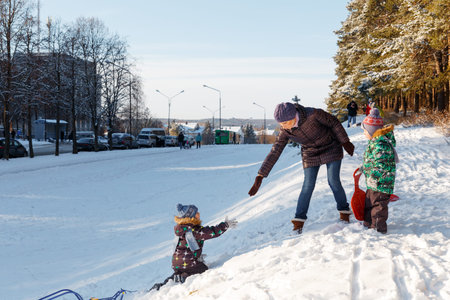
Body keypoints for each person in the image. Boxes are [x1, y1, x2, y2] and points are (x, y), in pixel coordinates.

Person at [248, 102, 355, 234]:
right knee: (307, 185)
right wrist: (261, 175)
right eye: (280, 124)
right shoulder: (285, 130)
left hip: (331, 146)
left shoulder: (314, 114)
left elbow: (334, 122)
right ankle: (299, 220)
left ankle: (344, 211)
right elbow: (275, 151)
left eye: (285, 123)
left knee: (333, 180)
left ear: (294, 116)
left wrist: (345, 141)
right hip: (310, 153)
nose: (283, 126)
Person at [150, 203, 237, 291]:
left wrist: (196, 255)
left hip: (176, 262)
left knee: (179, 272)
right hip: (188, 262)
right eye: (196, 213)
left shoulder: (181, 229)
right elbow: (212, 232)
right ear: (191, 217)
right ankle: (185, 277)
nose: (199, 215)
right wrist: (225, 225)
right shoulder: (194, 231)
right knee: (203, 269)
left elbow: (186, 247)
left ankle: (163, 285)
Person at [361, 108, 398, 234]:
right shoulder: (375, 142)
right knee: (369, 202)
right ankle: (368, 222)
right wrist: (364, 168)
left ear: (371, 130)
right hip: (374, 181)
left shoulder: (380, 144)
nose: (364, 133)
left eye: (365, 130)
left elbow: (381, 165)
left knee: (378, 205)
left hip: (381, 182)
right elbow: (373, 160)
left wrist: (373, 175)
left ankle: (377, 228)